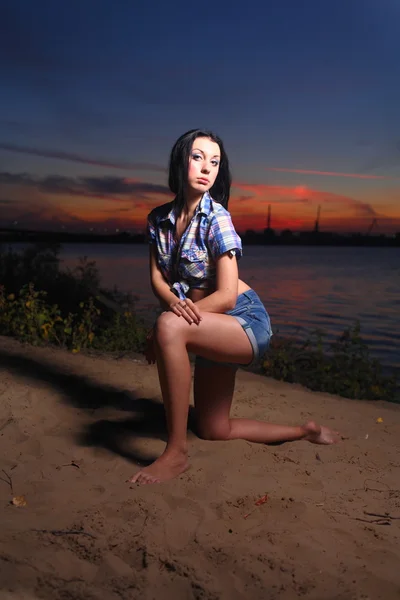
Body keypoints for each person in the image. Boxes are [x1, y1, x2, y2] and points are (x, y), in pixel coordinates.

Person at [129, 129, 338, 485]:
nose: (206, 167)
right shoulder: (158, 219)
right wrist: (170, 313)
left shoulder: (217, 218)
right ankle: (305, 431)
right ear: (180, 160)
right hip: (206, 324)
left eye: (215, 161)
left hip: (242, 321)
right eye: (197, 157)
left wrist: (167, 322)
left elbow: (226, 294)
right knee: (214, 428)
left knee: (168, 327)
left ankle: (175, 452)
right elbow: (158, 281)